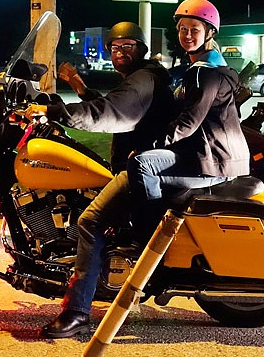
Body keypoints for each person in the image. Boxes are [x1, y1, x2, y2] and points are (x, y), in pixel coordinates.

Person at [23, 21, 174, 338]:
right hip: (138, 163)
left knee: (89, 221)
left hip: (141, 168)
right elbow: (114, 104)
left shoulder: (144, 78)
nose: (119, 53)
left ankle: (77, 312)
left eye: (127, 47)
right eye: (115, 48)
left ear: (141, 49)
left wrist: (55, 113)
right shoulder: (140, 76)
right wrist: (78, 88)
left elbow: (112, 110)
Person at [126, 0, 250, 235]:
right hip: (220, 158)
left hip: (214, 163)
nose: (187, 35)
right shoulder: (213, 69)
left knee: (142, 164)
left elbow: (187, 123)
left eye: (195, 29)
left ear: (209, 33)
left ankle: (150, 241)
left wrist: (145, 145)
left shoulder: (204, 74)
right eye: (183, 29)